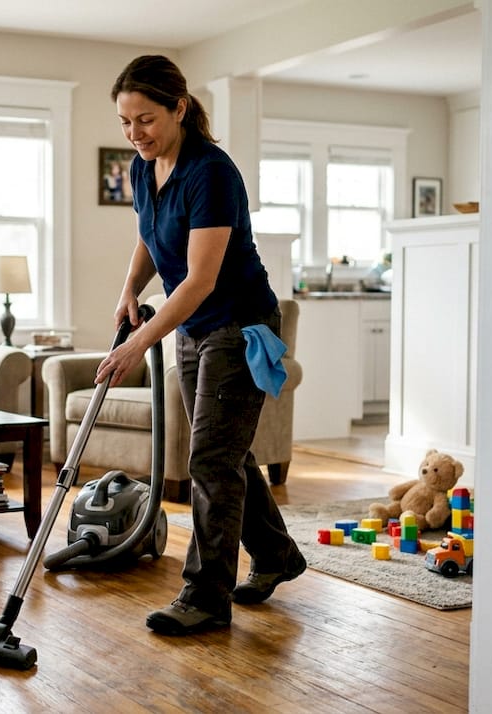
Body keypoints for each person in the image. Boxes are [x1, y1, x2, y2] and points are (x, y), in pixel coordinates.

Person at [98, 55, 305, 636]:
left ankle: (206, 595)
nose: (136, 133)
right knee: (226, 453)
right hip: (192, 327)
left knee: (210, 460)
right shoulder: (144, 167)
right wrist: (128, 290)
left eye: (146, 120)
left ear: (179, 108)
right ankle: (278, 555)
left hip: (239, 325)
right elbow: (149, 235)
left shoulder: (211, 172)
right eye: (125, 122)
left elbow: (200, 279)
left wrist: (139, 341)